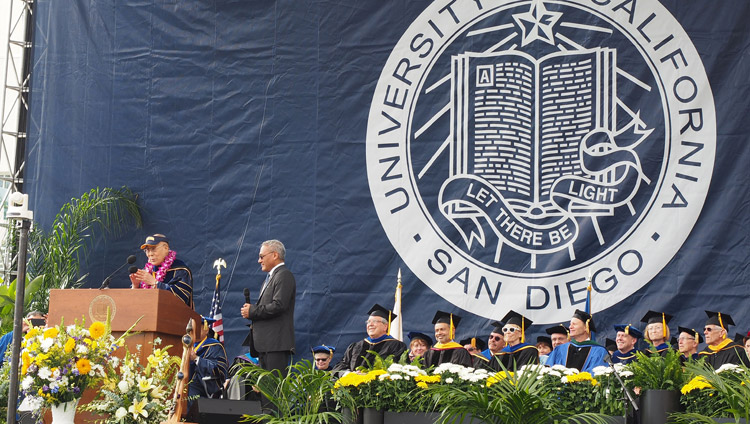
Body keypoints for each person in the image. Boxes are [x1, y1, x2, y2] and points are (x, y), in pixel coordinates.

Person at [240, 240, 296, 412]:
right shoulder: (272, 277)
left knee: (273, 396)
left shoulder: (283, 275)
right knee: (265, 396)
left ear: (275, 255)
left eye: (261, 256)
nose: (259, 260)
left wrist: (253, 311)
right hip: (266, 345)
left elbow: (279, 305)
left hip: (276, 345)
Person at [331, 304, 407, 374]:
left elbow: (398, 369)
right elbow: (341, 365)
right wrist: (349, 374)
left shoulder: (396, 346)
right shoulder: (356, 346)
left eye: (375, 321)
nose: (370, 324)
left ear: (385, 326)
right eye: (368, 322)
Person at [130, 234, 193, 308]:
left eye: (153, 249)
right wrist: (136, 286)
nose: (150, 254)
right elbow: (136, 304)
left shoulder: (180, 270)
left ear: (166, 248)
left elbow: (181, 299)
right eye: (147, 250)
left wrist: (155, 283)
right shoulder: (146, 272)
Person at [188, 317, 229, 405]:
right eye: (192, 328)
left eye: (199, 327)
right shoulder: (187, 344)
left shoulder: (214, 346)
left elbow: (217, 370)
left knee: (187, 393)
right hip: (185, 382)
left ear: (206, 330)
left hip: (203, 385)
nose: (194, 330)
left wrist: (196, 359)